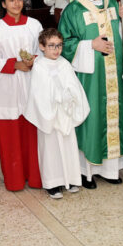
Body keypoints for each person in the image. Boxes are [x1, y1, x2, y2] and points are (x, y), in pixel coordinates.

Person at [58, 0, 123, 188]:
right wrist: (90, 45)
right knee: (91, 119)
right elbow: (64, 45)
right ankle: (86, 171)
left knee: (114, 117)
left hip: (114, 73)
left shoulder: (115, 4)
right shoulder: (73, 10)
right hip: (89, 78)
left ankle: (111, 170)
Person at [0, 0, 45, 191]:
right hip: (8, 86)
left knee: (32, 131)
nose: (16, 3)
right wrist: (14, 64)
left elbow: (44, 51)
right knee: (11, 134)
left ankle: (36, 177)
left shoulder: (35, 25)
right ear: (3, 3)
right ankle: (14, 179)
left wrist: (33, 60)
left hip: (31, 83)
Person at [22, 28, 89, 198]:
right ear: (42, 47)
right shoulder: (39, 66)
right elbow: (38, 92)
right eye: (51, 46)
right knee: (51, 150)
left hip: (65, 112)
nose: (56, 50)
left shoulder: (64, 64)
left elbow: (74, 86)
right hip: (49, 115)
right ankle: (53, 183)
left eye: (59, 45)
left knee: (68, 147)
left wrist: (68, 95)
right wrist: (56, 96)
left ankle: (72, 179)